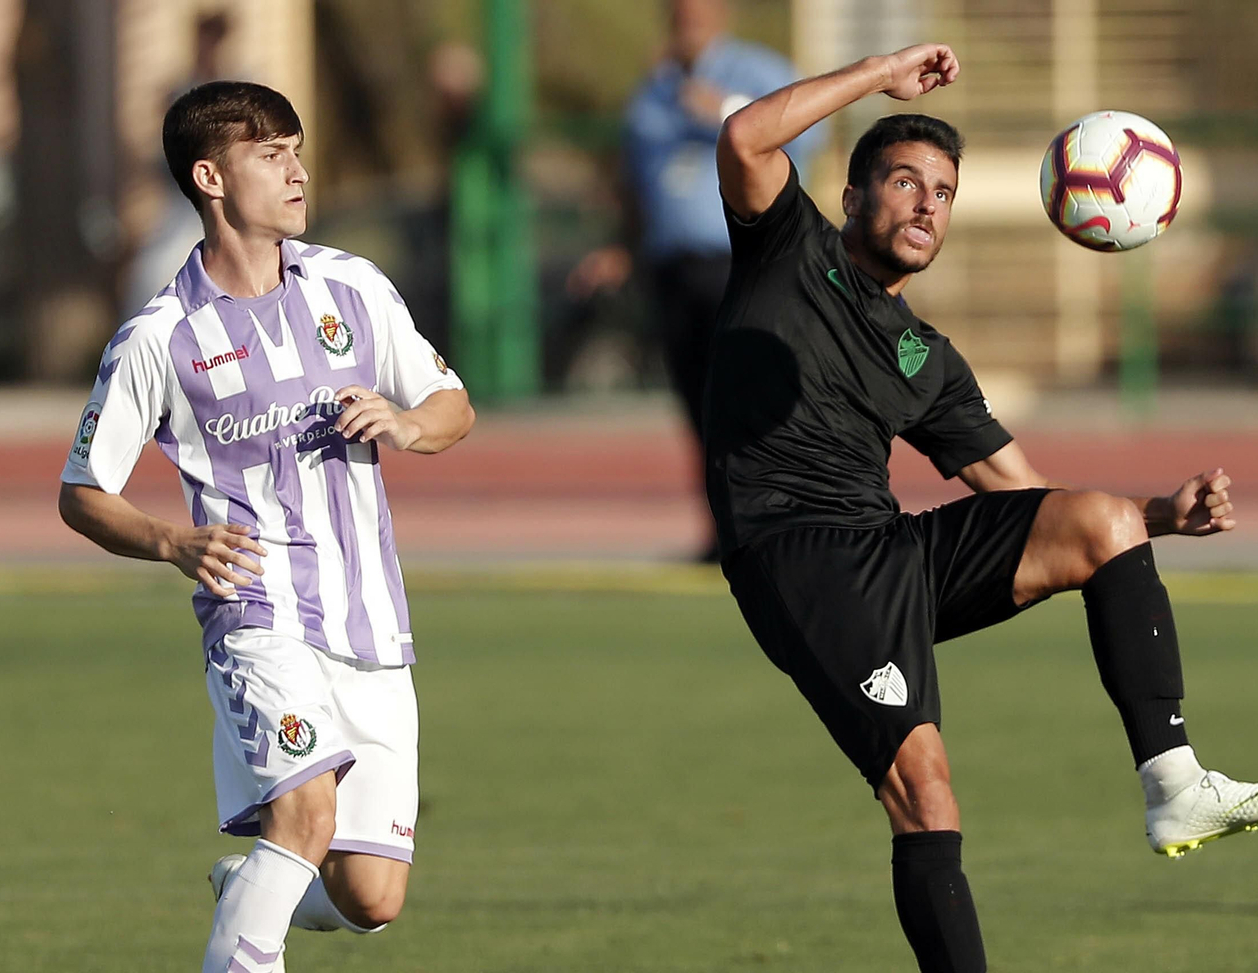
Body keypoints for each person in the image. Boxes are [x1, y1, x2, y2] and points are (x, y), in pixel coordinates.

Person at [704, 44, 1258, 972]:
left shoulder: (929, 358)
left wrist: (1154, 516)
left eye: (941, 191)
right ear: (853, 199)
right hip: (796, 557)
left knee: (1097, 519)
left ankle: (1175, 783)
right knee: (926, 789)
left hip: (888, 545)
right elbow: (745, 134)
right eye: (902, 181)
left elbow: (1026, 496)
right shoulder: (789, 249)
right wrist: (879, 76)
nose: (924, 203)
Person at [58, 81, 474, 973]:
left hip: (371, 622)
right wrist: (172, 541)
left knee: (371, 897)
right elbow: (82, 490)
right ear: (210, 176)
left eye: (296, 149)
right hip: (256, 615)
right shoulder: (159, 337)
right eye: (270, 155)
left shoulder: (352, 286)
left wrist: (408, 425)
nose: (297, 170)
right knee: (305, 814)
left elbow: (451, 403)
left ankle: (252, 885)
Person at [568, 0, 824, 560]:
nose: (689, 22)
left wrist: (731, 113)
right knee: (699, 405)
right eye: (680, 13)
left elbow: (811, 138)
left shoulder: (756, 72)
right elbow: (637, 183)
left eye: (699, 12)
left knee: (755, 395)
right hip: (672, 268)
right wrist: (620, 246)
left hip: (739, 259)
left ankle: (781, 524)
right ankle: (725, 532)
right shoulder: (652, 92)